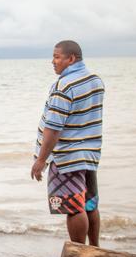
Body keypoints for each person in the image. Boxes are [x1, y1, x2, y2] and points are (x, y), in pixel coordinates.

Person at [30, 40, 104, 246]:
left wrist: (41, 160)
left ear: (71, 59)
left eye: (57, 57)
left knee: (73, 208)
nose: (53, 62)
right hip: (89, 154)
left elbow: (53, 127)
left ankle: (79, 255)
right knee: (90, 205)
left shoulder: (64, 85)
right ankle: (95, 249)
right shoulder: (95, 80)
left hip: (66, 157)